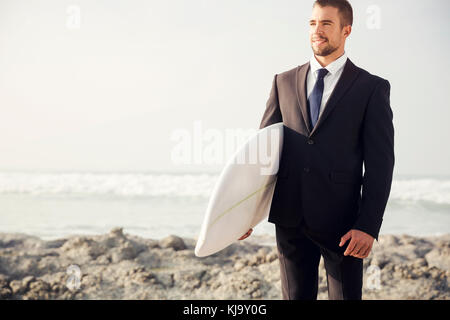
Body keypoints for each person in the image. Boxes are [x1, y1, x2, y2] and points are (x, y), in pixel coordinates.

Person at [238, 0, 395, 300]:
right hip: (290, 220)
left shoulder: (371, 88)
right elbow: (262, 155)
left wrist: (368, 225)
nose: (317, 31)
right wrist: (246, 214)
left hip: (344, 225)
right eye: (312, 23)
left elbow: (380, 164)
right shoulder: (283, 82)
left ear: (346, 30)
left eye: (326, 24)